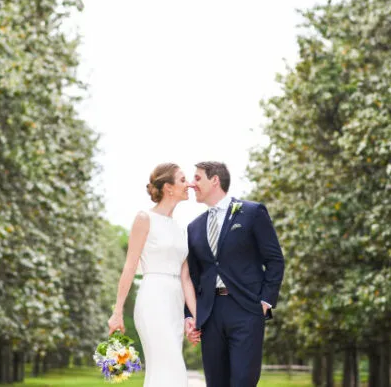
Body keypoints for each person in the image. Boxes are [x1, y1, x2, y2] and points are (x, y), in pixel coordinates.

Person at [185, 161, 285, 387]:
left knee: (243, 381)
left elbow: (275, 260)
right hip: (210, 315)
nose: (192, 184)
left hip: (246, 310)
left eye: (197, 178)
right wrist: (190, 316)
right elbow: (192, 276)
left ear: (215, 180)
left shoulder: (252, 212)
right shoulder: (193, 228)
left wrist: (265, 301)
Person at [107, 163, 197, 387]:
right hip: (153, 300)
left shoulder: (180, 228)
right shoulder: (144, 219)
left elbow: (186, 278)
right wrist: (117, 312)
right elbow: (129, 267)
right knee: (173, 369)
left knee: (164, 371)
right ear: (168, 187)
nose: (190, 185)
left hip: (175, 304)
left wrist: (197, 317)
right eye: (183, 180)